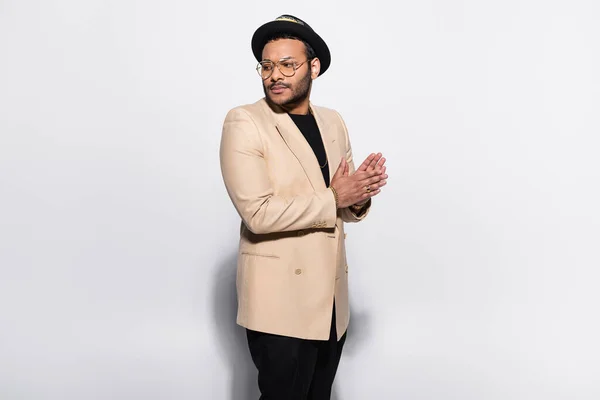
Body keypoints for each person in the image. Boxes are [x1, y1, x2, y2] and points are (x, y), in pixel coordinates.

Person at [219, 14, 388, 399]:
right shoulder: (244, 121)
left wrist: (359, 197)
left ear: (313, 67)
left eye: (287, 64)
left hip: (330, 302)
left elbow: (340, 206)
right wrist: (336, 197)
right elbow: (258, 214)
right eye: (266, 65)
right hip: (279, 301)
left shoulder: (333, 122)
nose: (274, 75)